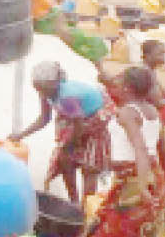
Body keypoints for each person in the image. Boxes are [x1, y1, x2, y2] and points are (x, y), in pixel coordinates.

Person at [82, 66, 165, 237]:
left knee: (112, 236)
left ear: (128, 88)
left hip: (135, 181)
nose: (116, 84)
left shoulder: (128, 113)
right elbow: (163, 152)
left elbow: (141, 149)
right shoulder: (153, 111)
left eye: (120, 82)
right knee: (135, 236)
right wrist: (163, 185)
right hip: (151, 176)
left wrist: (143, 187)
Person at [10, 61, 111, 203]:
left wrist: (72, 144)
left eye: (42, 87)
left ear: (54, 84)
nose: (39, 91)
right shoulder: (46, 93)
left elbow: (79, 126)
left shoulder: (67, 97)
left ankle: (85, 208)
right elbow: (44, 119)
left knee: (89, 167)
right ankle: (74, 202)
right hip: (76, 120)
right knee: (65, 161)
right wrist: (20, 135)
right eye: (37, 87)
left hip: (95, 121)